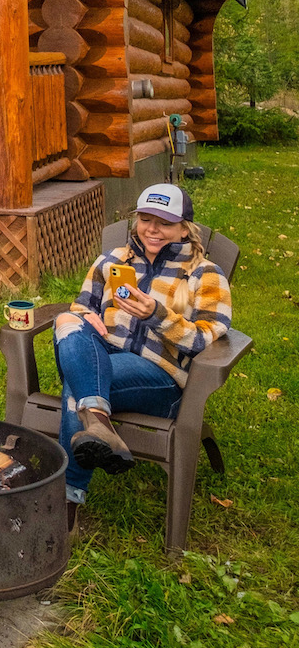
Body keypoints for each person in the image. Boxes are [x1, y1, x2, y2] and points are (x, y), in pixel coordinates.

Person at [53, 183, 232, 528]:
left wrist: (156, 315)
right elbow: (81, 305)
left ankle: (67, 498)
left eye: (164, 222)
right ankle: (97, 424)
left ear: (184, 227)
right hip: (101, 352)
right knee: (67, 321)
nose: (152, 229)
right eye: (146, 219)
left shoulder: (204, 274)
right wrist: (84, 315)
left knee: (77, 387)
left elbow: (206, 337)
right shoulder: (112, 261)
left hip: (158, 377)